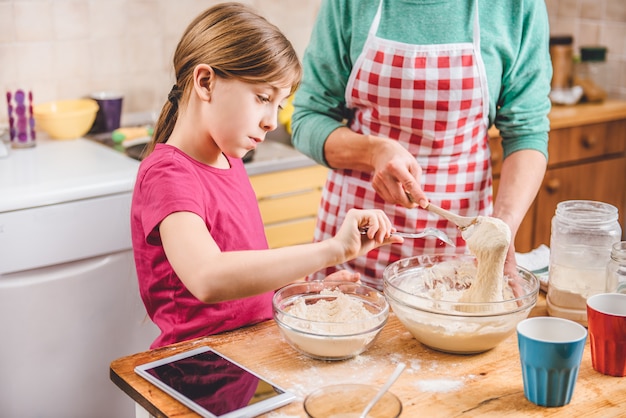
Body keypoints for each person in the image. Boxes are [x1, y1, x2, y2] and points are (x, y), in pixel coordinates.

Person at [131, 2, 401, 349]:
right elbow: (207, 277)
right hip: (193, 370)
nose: (272, 121)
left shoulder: (231, 162)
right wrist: (332, 249)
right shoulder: (167, 173)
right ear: (205, 81)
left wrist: (306, 293)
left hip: (244, 360)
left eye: (280, 105)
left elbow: (245, 282)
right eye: (262, 97)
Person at [291, 0, 552, 289]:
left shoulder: (515, 6)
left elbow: (527, 132)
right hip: (355, 242)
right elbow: (307, 119)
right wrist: (374, 152)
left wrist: (501, 230)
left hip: (463, 247)